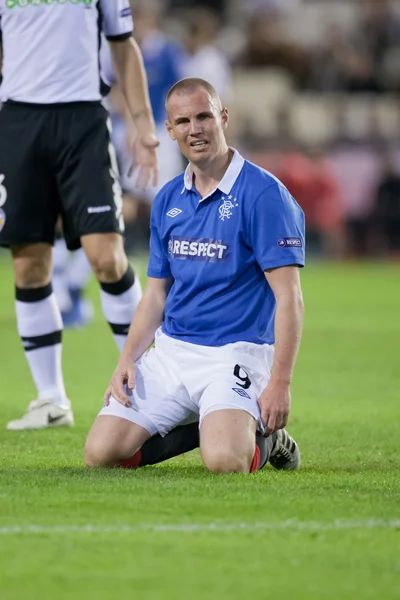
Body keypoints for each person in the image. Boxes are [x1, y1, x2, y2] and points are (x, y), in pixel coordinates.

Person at [85, 77, 305, 474]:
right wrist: (127, 357)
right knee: (101, 455)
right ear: (169, 130)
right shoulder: (168, 199)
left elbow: (289, 297)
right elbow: (155, 296)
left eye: (204, 116)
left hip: (234, 353)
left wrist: (280, 384)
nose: (195, 129)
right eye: (183, 121)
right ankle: (207, 419)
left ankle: (265, 438)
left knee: (225, 462)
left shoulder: (265, 195)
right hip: (171, 353)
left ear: (223, 117)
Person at [0, 0, 158, 430]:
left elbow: (123, 47)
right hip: (17, 121)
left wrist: (143, 126)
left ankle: (153, 386)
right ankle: (51, 400)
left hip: (81, 120)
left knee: (106, 257)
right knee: (29, 264)